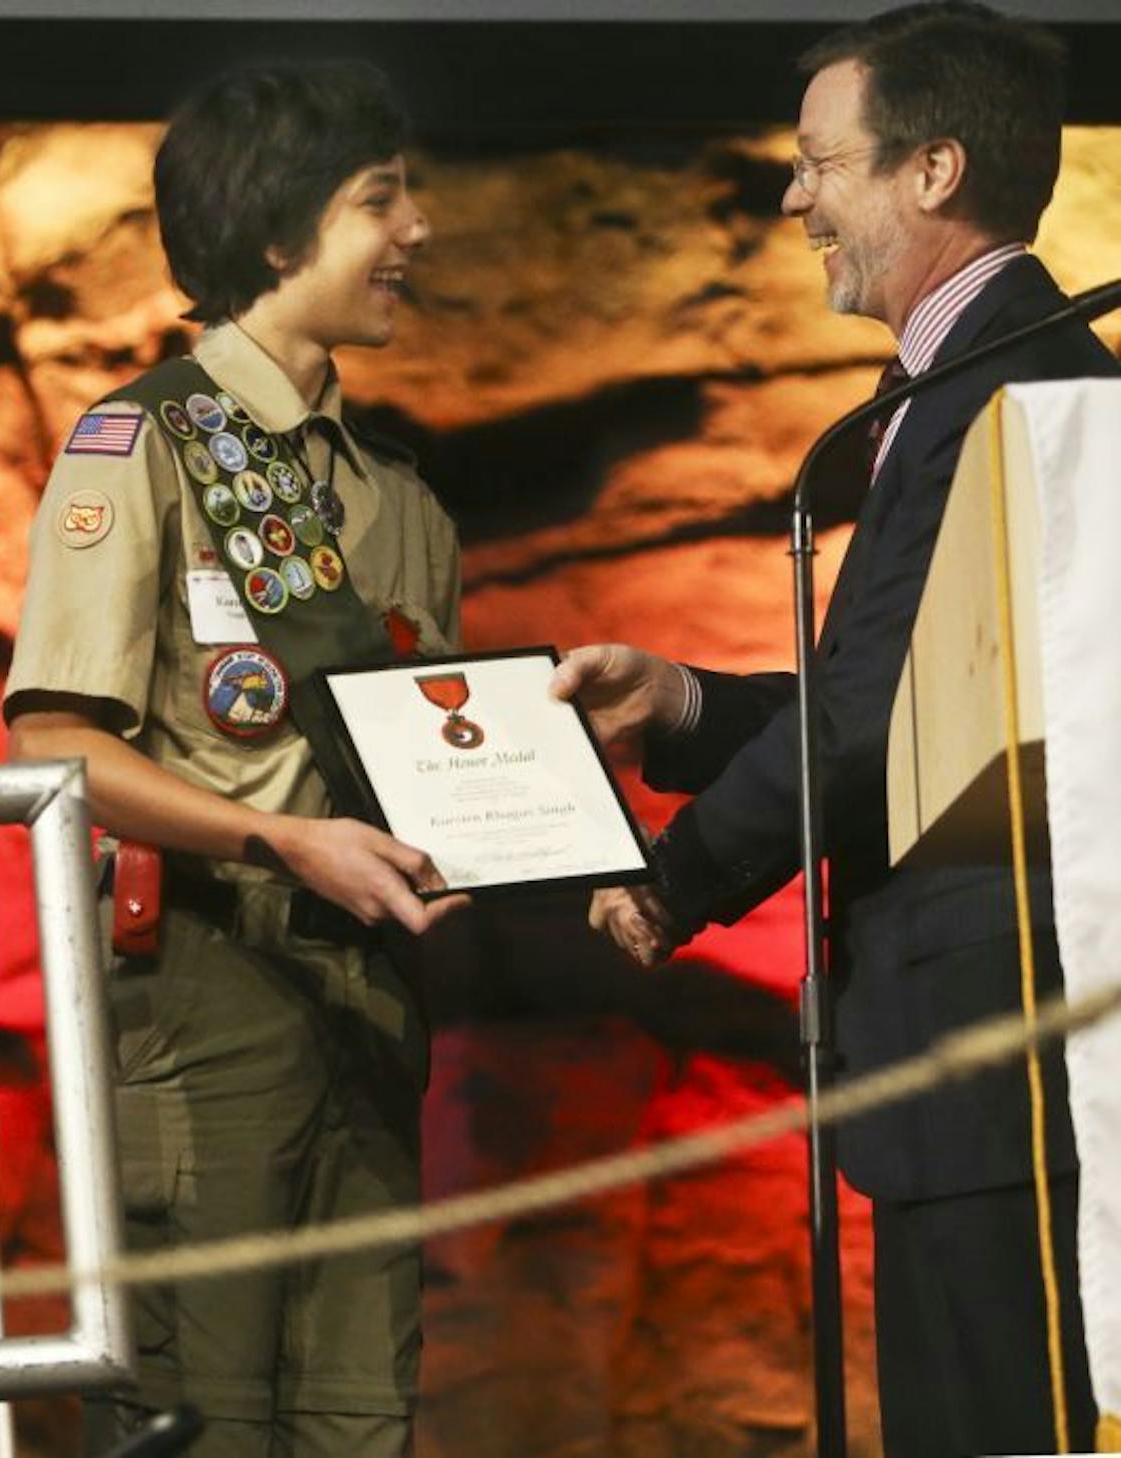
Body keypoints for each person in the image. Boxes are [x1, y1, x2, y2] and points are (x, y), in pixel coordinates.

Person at [550, 5, 1119, 1452]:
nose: (794, 196)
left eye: (820, 163)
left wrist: (678, 878)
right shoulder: (964, 383)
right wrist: (682, 706)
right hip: (973, 1052)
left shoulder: (1016, 386)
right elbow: (919, 698)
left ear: (931, 170)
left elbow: (874, 717)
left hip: (1008, 1047)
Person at [5, 59, 466, 1458]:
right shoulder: (136, 446)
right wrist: (278, 838)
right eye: (379, 200)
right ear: (278, 235)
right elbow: (53, 741)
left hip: (369, 979)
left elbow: (440, 765)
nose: (417, 230)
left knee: (358, 1408)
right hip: (204, 976)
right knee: (193, 1412)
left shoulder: (403, 504)